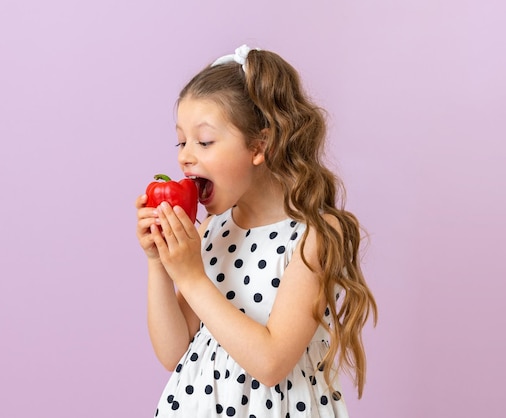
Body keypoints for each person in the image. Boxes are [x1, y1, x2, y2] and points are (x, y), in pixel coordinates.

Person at [135, 44, 377, 417]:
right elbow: (172, 353)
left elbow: (270, 363)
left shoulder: (315, 236)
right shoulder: (215, 228)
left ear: (259, 145)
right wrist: (159, 264)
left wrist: (193, 277)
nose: (185, 156)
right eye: (181, 141)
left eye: (204, 141)